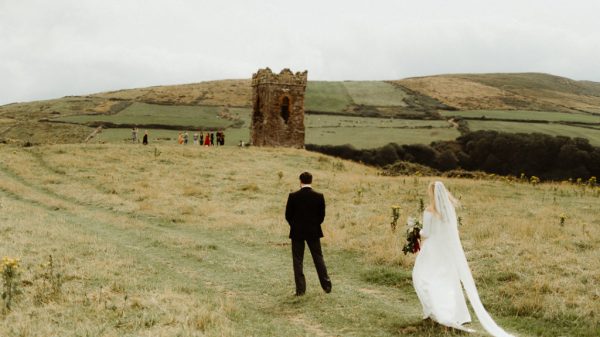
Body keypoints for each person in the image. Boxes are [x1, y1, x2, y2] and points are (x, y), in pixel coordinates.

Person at [412, 181, 515, 337]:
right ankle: (448, 312)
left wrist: (414, 232)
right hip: (446, 250)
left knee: (423, 277)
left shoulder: (429, 211)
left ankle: (434, 311)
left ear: (432, 193)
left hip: (432, 250)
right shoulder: (448, 210)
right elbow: (452, 232)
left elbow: (426, 233)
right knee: (446, 279)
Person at [285, 172, 332, 296]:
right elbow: (321, 216)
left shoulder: (293, 196)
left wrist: (295, 226)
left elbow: (288, 215)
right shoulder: (319, 196)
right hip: (313, 231)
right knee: (318, 257)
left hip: (297, 232)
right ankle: (326, 286)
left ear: (300, 181)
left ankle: (300, 290)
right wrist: (314, 225)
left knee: (298, 260)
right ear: (311, 181)